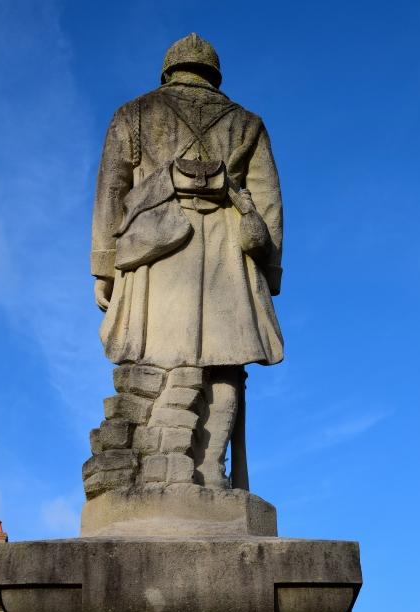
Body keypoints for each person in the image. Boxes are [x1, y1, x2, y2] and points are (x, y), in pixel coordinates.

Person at [91, 33, 284, 488]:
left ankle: (160, 470)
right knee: (225, 361)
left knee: (155, 358)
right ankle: (209, 472)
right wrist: (269, 273)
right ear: (213, 74)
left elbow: (111, 195)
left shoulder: (133, 114)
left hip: (157, 252)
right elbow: (269, 204)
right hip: (226, 253)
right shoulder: (247, 123)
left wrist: (105, 265)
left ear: (169, 70)